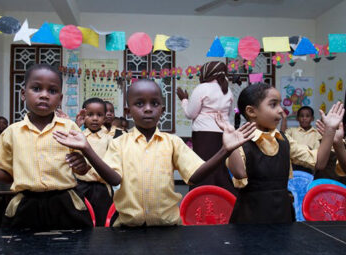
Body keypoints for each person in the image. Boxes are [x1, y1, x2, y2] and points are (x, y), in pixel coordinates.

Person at [53, 79, 256, 227]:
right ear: (128, 110)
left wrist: (225, 150)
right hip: (127, 229)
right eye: (139, 104)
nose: (148, 109)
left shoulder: (173, 142)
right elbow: (114, 179)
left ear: (163, 109)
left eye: (154, 104)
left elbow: (195, 176)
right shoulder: (119, 143)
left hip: (169, 229)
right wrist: (87, 149)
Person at [0, 63, 93, 230]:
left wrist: (81, 167)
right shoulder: (11, 132)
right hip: (25, 205)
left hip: (65, 204)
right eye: (36, 88)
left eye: (52, 91)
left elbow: (81, 169)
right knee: (21, 252)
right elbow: (7, 174)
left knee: (72, 251)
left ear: (59, 99)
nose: (44, 95)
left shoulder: (69, 128)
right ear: (23, 94)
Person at [226, 83, 343, 224]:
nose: (281, 110)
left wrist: (330, 130)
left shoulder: (284, 140)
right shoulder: (239, 142)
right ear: (251, 111)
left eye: (280, 104)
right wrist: (230, 147)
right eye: (273, 104)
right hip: (250, 218)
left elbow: (319, 162)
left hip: (283, 215)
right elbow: (239, 173)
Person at [177, 61, 235, 194]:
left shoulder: (202, 88)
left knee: (203, 167)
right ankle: (223, 198)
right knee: (220, 168)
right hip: (224, 133)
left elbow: (190, 114)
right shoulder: (228, 91)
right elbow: (228, 114)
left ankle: (201, 196)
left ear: (206, 72)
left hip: (204, 134)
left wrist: (184, 100)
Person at [75, 97, 113, 226]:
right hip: (80, 185)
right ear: (83, 116)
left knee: (102, 222)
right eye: (90, 115)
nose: (95, 118)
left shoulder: (109, 139)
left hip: (101, 187)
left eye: (99, 115)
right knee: (81, 221)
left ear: (105, 117)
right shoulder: (78, 136)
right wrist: (75, 126)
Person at [281, 106, 321, 173]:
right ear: (297, 118)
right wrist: (284, 118)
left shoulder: (317, 133)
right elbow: (282, 137)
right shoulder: (292, 131)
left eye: (307, 116)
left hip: (311, 167)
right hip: (294, 167)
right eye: (301, 116)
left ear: (312, 118)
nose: (304, 118)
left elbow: (318, 153)